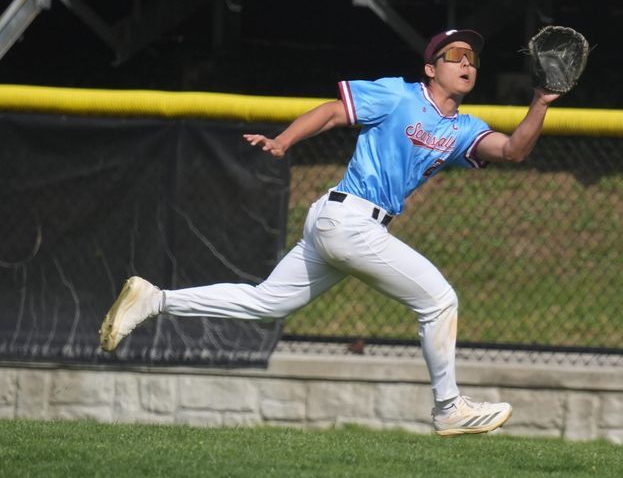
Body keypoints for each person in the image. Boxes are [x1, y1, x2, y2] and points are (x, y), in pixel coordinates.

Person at [99, 28, 561, 436]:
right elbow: (332, 112)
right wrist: (284, 140)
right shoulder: (399, 95)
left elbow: (513, 149)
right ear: (430, 68)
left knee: (266, 303)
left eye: (472, 59)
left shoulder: (463, 128)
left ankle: (155, 299)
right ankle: (448, 407)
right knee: (439, 300)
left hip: (339, 223)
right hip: (349, 220)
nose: (466, 63)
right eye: (454, 55)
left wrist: (539, 103)